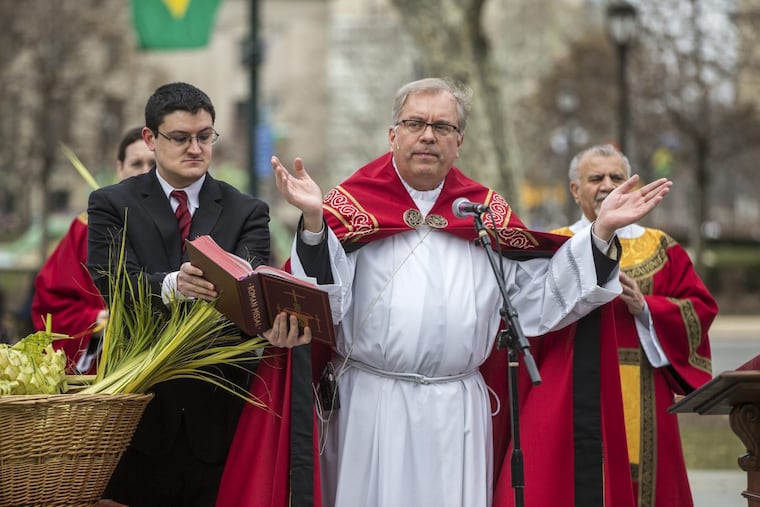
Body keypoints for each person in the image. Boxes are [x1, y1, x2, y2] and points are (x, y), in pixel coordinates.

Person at [216, 77, 672, 507]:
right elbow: (323, 307)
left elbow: (540, 300)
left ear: (459, 142)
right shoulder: (349, 207)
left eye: (442, 127)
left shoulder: (484, 214)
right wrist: (315, 225)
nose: (428, 136)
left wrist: (601, 233)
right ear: (393, 135)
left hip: (457, 411)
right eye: (415, 123)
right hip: (370, 405)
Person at [87, 82, 291, 507]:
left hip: (220, 416)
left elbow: (251, 297)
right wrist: (171, 285)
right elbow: (111, 281)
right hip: (139, 414)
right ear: (151, 138)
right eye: (180, 137)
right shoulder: (111, 203)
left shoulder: (247, 211)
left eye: (204, 136)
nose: (195, 148)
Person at [549, 144, 717, 507]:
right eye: (596, 178)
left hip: (645, 393)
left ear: (631, 185)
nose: (608, 186)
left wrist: (647, 308)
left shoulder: (661, 248)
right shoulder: (555, 245)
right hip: (574, 388)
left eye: (617, 177)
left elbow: (700, 309)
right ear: (575, 189)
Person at [30, 127, 155, 373]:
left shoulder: (182, 223)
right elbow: (51, 302)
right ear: (120, 168)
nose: (145, 172)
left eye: (153, 164)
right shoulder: (86, 228)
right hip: (103, 370)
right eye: (136, 163)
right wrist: (94, 321)